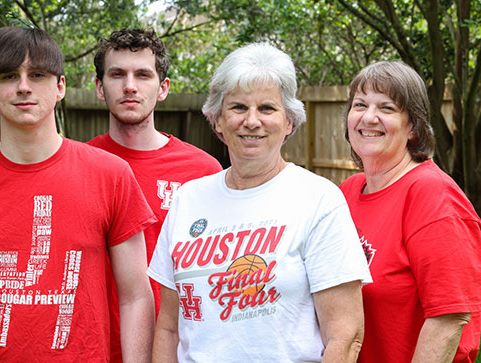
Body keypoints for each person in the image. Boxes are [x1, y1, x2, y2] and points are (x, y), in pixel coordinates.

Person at [0, 26, 155, 362]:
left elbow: (136, 298)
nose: (23, 87)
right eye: (9, 76)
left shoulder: (110, 176)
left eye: (37, 74)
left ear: (60, 87)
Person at [148, 42, 372, 362]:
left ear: (289, 122)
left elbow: (346, 334)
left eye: (267, 108)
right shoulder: (187, 200)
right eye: (238, 107)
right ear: (217, 120)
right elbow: (168, 328)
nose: (252, 121)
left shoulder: (319, 200)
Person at [339, 61, 481, 362]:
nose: (369, 117)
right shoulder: (347, 192)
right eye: (360, 104)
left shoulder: (434, 196)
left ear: (412, 127)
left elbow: (449, 319)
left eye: (387, 108)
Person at [88, 27, 222, 362]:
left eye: (143, 75)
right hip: (96, 348)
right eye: (117, 74)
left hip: (179, 350)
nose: (130, 86)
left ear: (162, 89)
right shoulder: (80, 167)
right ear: (99, 88)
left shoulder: (202, 171)